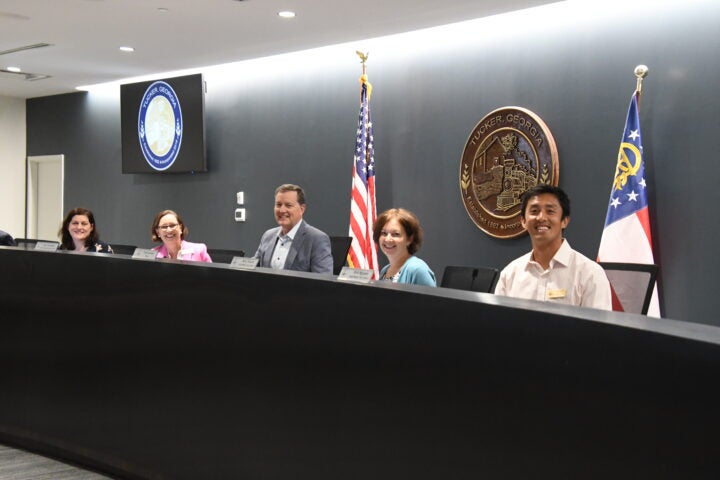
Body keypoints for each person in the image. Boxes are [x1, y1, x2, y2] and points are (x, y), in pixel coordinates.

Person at [494, 185, 611, 310]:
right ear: (523, 221)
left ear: (564, 221)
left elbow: (598, 329)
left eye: (550, 211)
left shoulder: (590, 274)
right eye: (534, 211)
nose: (541, 218)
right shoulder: (510, 274)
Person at [254, 184, 332, 274]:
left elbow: (323, 281)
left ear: (302, 209)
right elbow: (253, 267)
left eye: (288, 205)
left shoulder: (317, 239)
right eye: (278, 204)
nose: (282, 210)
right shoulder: (268, 235)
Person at [374, 208, 436, 286]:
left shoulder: (418, 270)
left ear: (409, 239)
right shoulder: (385, 270)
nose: (387, 239)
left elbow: (430, 298)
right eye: (384, 233)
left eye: (396, 234)